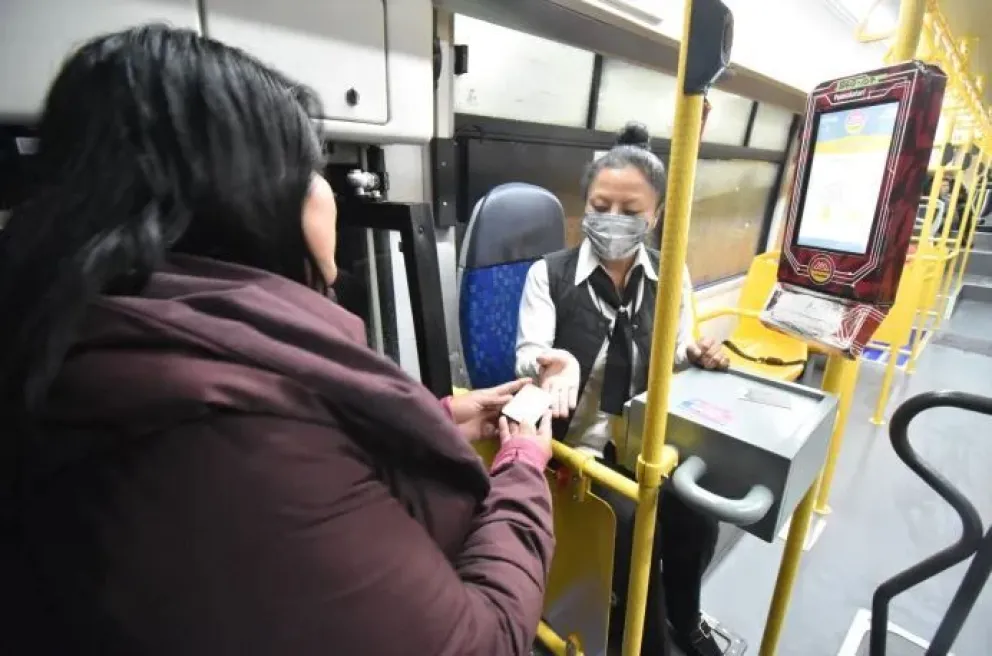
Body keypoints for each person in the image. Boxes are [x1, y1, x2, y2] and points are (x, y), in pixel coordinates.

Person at [0, 25, 555, 656]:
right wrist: (522, 466)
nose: (328, 189)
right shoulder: (226, 436)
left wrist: (435, 418)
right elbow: (480, 643)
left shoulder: (93, 342)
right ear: (248, 197)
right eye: (312, 169)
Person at [516, 122, 731, 656]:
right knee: (634, 527)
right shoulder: (549, 275)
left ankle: (686, 618)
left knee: (699, 517)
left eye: (630, 211)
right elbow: (527, 353)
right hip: (576, 448)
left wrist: (696, 354)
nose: (612, 218)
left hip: (645, 441)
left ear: (655, 216)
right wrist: (554, 362)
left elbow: (675, 350)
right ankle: (647, 644)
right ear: (585, 207)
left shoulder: (669, 273)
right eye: (600, 205)